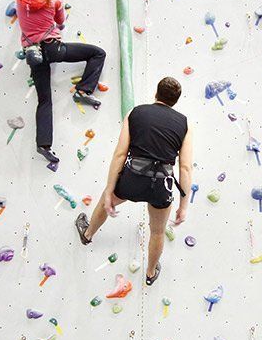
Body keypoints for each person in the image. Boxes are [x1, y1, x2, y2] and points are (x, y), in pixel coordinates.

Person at [76, 77, 193, 286]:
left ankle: (87, 233)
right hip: (160, 187)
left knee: (106, 199)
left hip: (132, 180)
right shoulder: (184, 124)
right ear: (176, 101)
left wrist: (109, 192)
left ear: (156, 94)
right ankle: (149, 273)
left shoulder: (136, 113)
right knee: (157, 231)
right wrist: (183, 207)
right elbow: (185, 168)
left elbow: (120, 154)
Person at [17, 0, 105, 168]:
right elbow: (60, 20)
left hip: (33, 54)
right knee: (97, 53)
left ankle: (44, 145)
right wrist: (59, 22)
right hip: (53, 48)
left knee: (44, 100)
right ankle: (83, 91)